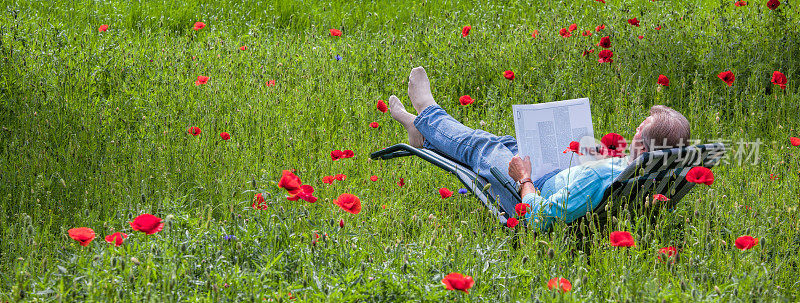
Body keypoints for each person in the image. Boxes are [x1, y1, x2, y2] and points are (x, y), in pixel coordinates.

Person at [389, 66, 692, 231]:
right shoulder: (653, 173)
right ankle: (423, 134)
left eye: (640, 127)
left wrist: (524, 180)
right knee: (508, 143)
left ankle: (427, 111)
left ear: (640, 140)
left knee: (482, 148)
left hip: (535, 192)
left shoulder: (598, 181)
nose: (635, 128)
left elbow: (540, 218)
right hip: (563, 177)